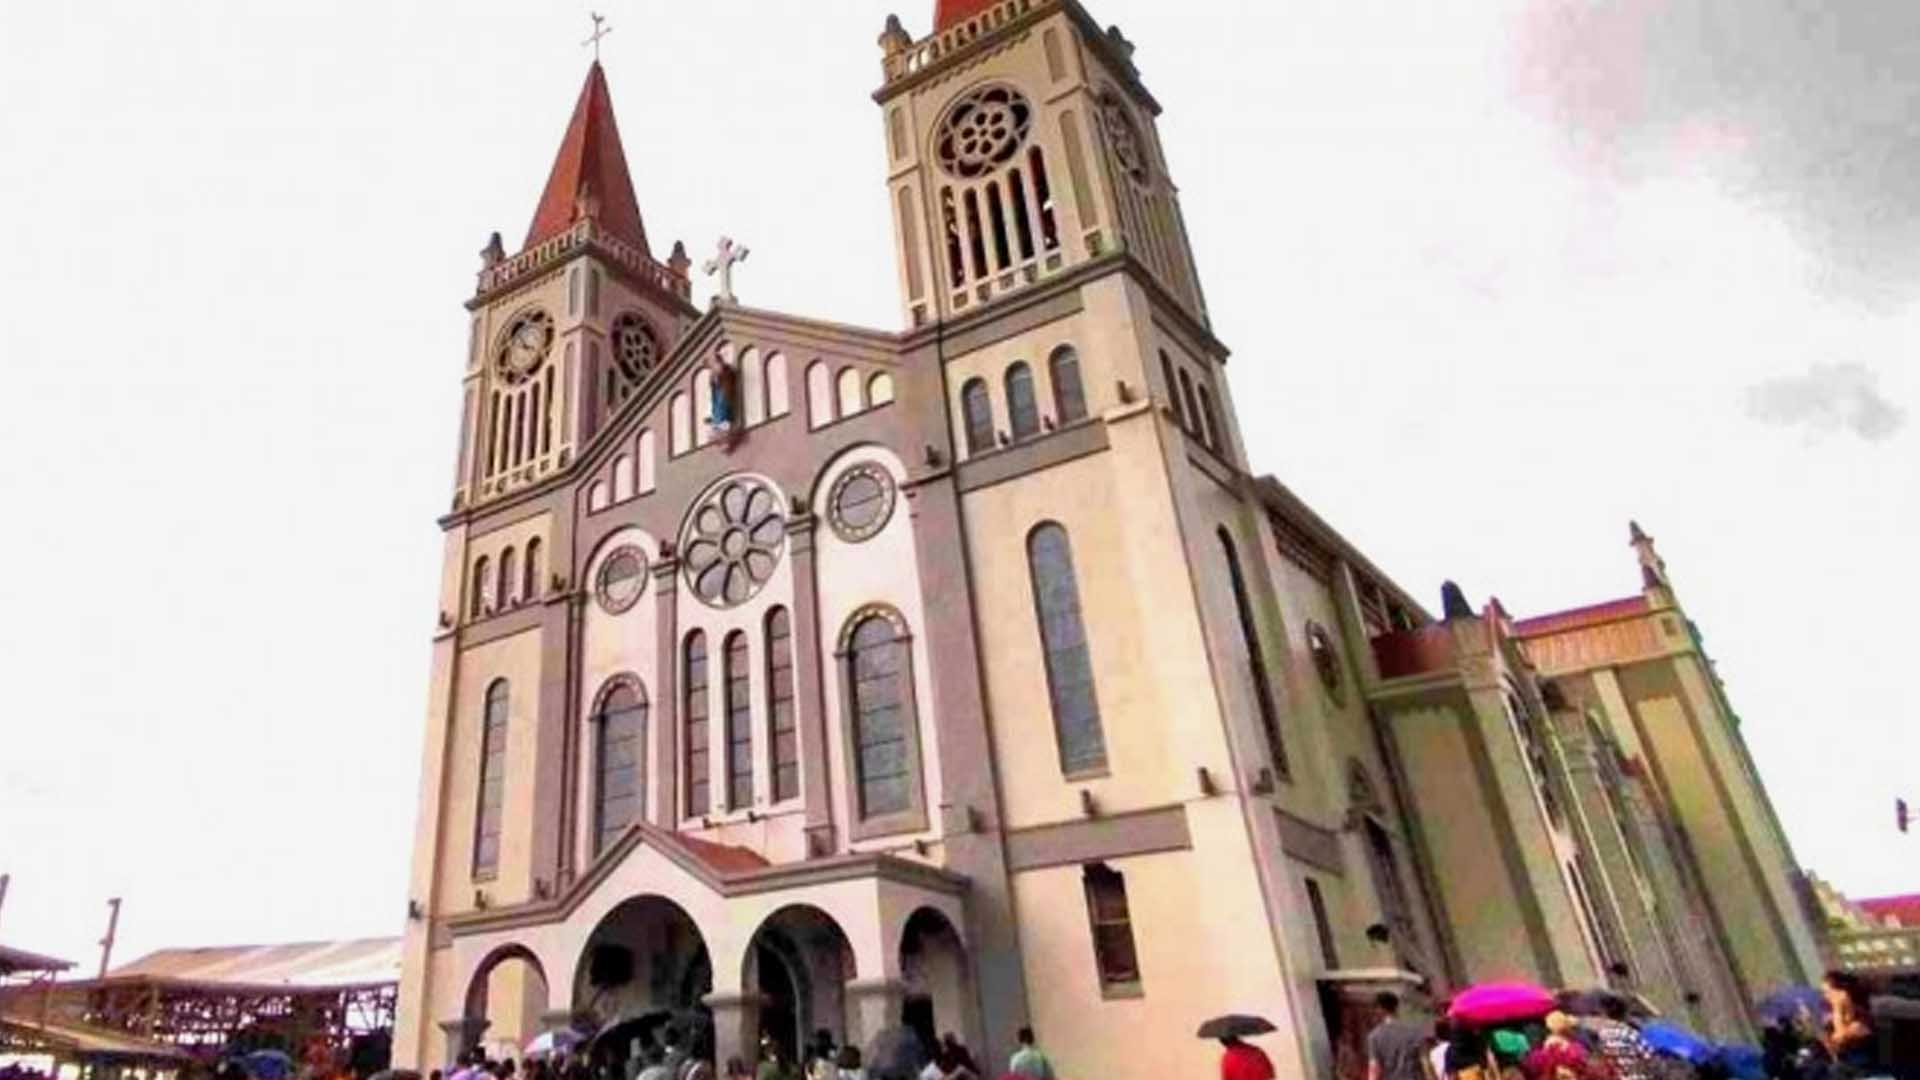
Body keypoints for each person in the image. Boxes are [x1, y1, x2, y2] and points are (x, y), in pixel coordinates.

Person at [1582, 996, 1656, 1080]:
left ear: (1604, 1014)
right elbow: (1649, 1058)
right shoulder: (1632, 1033)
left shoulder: (1604, 1037)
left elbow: (1598, 1066)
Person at [1822, 970, 1878, 1077]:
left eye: (1828, 992)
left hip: (1867, 1070)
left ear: (1843, 993)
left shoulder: (1861, 1016)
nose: (1826, 996)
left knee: (1835, 1070)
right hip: (1848, 1068)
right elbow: (1832, 1048)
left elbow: (1841, 1038)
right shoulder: (1834, 1019)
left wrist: (1838, 1008)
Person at [1365, 993, 1428, 1080]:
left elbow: (1374, 1069)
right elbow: (1425, 1062)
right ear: (1396, 1007)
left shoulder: (1374, 1036)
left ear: (1380, 1009)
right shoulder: (1414, 1031)